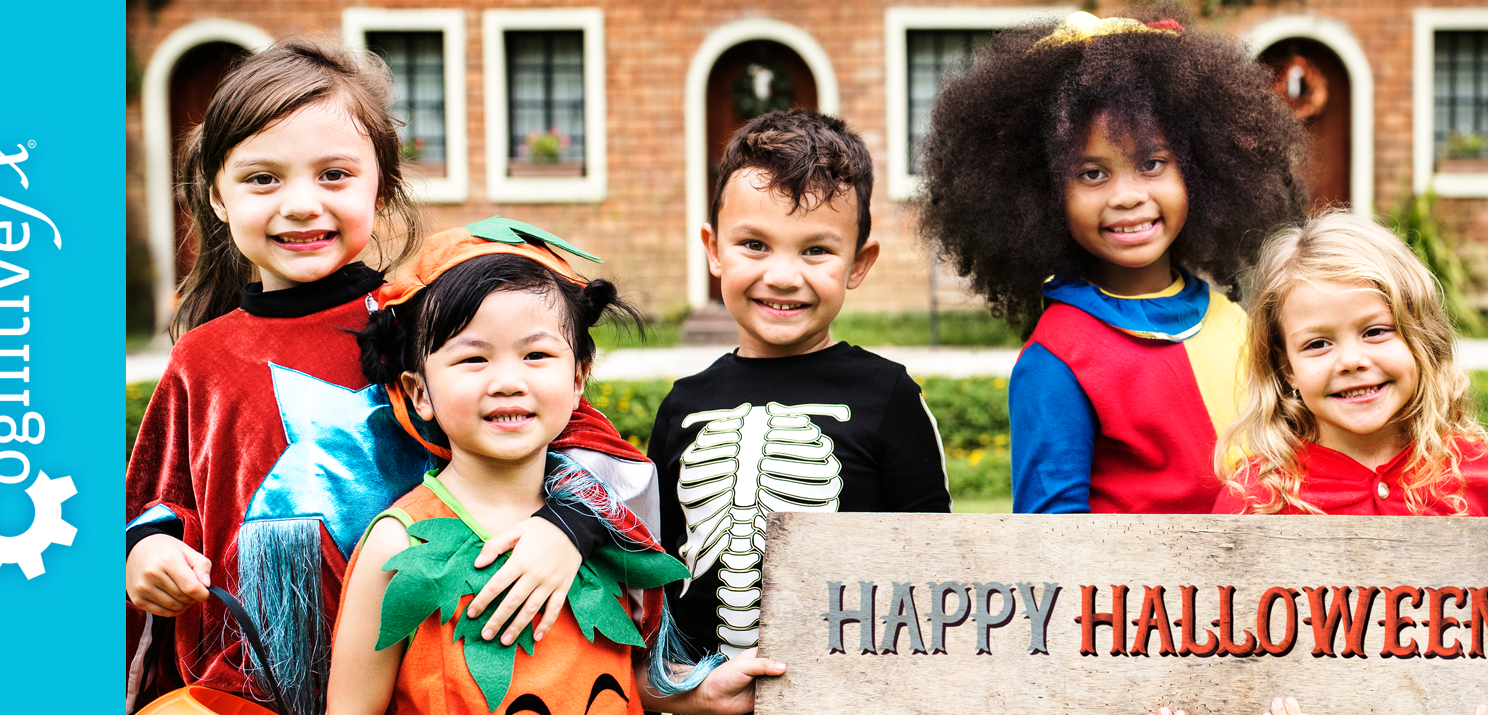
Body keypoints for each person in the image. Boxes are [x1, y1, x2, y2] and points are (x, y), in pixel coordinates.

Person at [124, 37, 648, 715]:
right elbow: (160, 500)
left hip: (435, 673)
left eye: (334, 175)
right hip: (250, 687)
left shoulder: (431, 326)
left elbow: (583, 445)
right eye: (263, 179)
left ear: (383, 184)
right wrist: (151, 552)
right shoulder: (202, 358)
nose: (302, 204)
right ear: (216, 197)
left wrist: (564, 528)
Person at [329, 224, 772, 715]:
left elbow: (615, 676)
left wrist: (700, 691)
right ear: (419, 392)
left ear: (579, 376)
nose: (508, 381)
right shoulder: (397, 545)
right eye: (473, 358)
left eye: (536, 355)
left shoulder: (608, 527)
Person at [917, 7, 1303, 515]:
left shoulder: (1234, 322)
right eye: (1093, 173)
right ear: (1043, 196)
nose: (1127, 196)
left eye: (1152, 163)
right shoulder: (1057, 361)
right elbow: (1051, 547)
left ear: (1202, 170)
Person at [650, 109, 953, 658]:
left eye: (816, 250)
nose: (784, 276)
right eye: (754, 245)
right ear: (713, 250)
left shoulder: (889, 397)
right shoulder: (682, 405)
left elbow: (935, 567)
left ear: (858, 264)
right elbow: (655, 577)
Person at [1209, 212, 1488, 518]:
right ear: (1287, 368)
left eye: (1375, 331)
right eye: (1317, 344)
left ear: (1419, 339)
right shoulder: (1254, 500)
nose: (1351, 362)